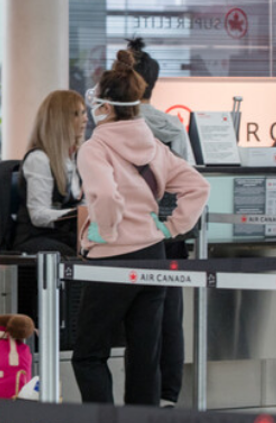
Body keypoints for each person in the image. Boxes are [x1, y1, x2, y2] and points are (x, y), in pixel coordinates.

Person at [72, 49, 210, 406]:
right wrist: (169, 229)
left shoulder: (94, 147)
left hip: (112, 261)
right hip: (153, 256)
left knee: (89, 354)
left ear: (105, 104)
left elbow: (103, 194)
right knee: (144, 355)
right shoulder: (153, 146)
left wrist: (109, 228)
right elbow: (198, 187)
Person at [125, 38, 191, 407]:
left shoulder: (110, 129)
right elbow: (189, 177)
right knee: (168, 317)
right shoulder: (170, 126)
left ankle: (142, 396)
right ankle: (167, 395)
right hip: (167, 232)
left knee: (135, 319)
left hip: (124, 234)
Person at [12, 90, 85, 256]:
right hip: (35, 238)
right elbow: (38, 215)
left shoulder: (74, 158)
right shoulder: (39, 159)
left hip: (61, 236)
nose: (85, 119)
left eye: (84, 113)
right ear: (60, 120)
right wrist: (76, 215)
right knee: (78, 259)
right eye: (76, 114)